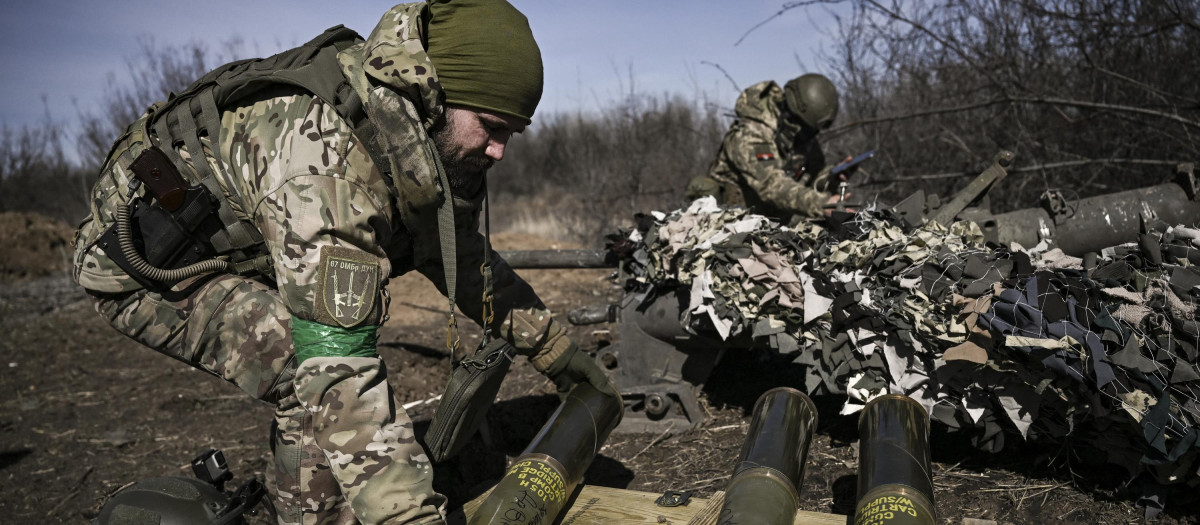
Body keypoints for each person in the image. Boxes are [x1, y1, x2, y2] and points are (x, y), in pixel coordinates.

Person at [71, 2, 614, 524]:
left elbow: (457, 256)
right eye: (491, 126)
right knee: (307, 384)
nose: (499, 150)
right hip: (145, 266)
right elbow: (338, 369)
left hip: (242, 242)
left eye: (511, 133)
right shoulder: (322, 167)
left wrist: (555, 351)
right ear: (434, 92)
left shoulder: (413, 132)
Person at [686, 73, 852, 222]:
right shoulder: (750, 135)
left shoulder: (798, 136)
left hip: (768, 227)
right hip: (727, 226)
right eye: (808, 130)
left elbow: (810, 180)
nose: (811, 137)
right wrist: (821, 205)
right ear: (791, 117)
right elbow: (771, 185)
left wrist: (831, 178)